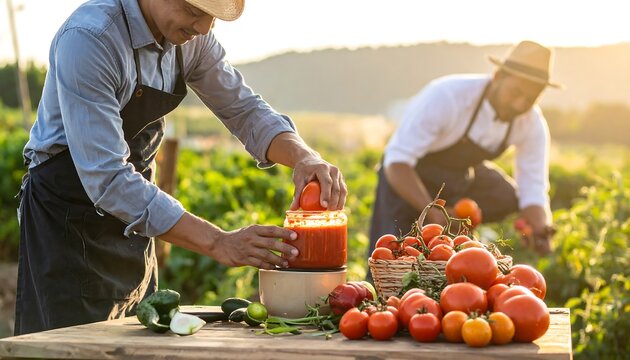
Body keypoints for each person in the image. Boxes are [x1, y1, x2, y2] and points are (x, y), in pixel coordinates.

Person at [15, 0, 347, 335]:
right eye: (195, 11)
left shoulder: (191, 39)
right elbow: (107, 178)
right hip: (67, 224)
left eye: (212, 18)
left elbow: (245, 110)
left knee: (134, 341)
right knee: (70, 346)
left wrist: (305, 157)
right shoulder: (90, 39)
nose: (203, 28)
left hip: (134, 223)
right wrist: (219, 242)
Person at [369, 40, 560, 258]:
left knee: (505, 196)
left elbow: (532, 187)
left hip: (458, 176)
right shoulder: (447, 97)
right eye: (515, 93)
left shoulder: (531, 123)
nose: (519, 104)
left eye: (530, 99)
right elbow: (397, 162)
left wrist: (540, 228)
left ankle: (459, 245)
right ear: (497, 76)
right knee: (392, 253)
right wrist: (431, 212)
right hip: (408, 174)